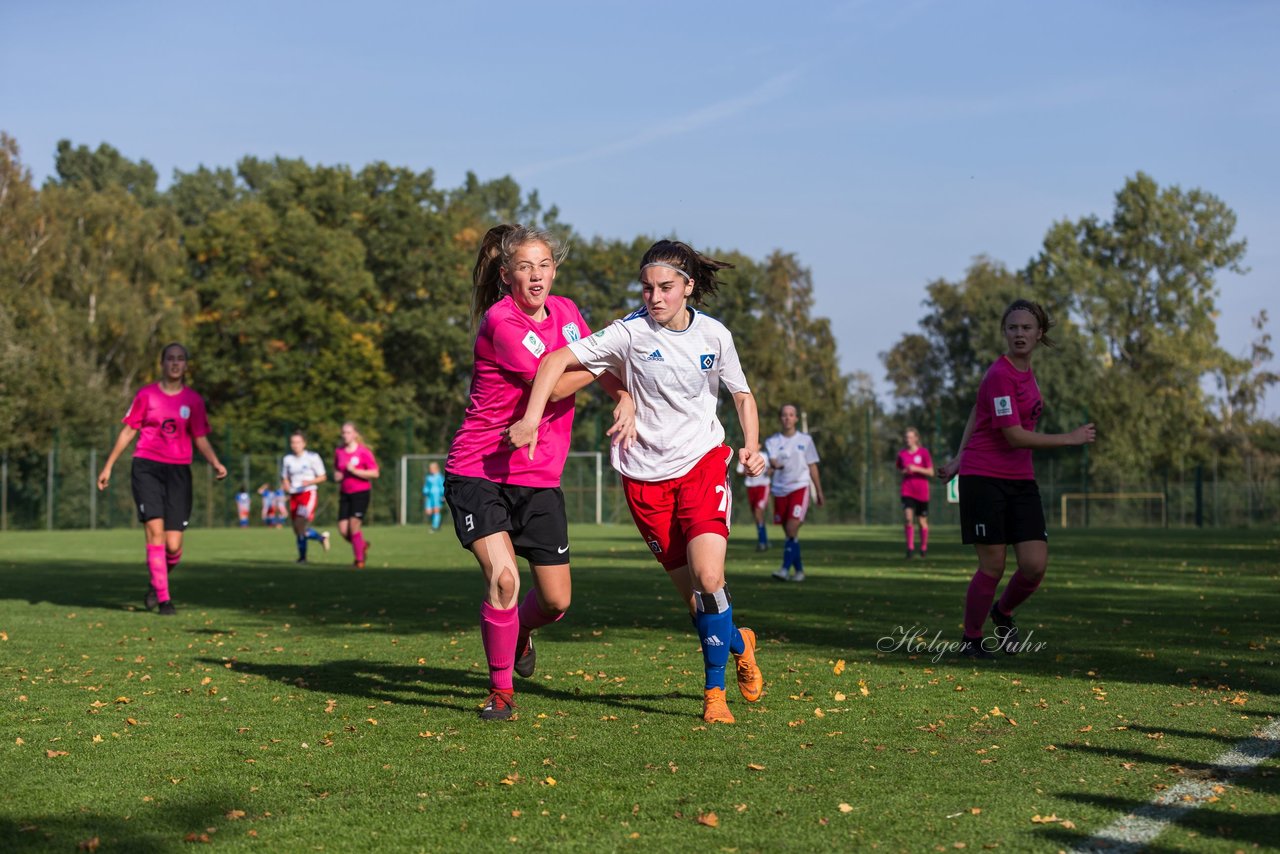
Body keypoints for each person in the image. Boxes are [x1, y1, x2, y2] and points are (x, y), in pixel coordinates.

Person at [507, 238, 766, 725]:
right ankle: (739, 641)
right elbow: (555, 362)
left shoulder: (715, 336)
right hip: (644, 477)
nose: (654, 297)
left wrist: (751, 445)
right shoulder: (628, 333)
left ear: (688, 286)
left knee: (711, 579)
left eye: (665, 287)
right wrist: (535, 417)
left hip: (702, 462)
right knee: (697, 603)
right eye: (646, 288)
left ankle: (714, 696)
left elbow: (743, 395)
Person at [444, 224, 634, 722]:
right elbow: (553, 382)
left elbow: (590, 359)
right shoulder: (501, 322)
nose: (536, 276)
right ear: (506, 274)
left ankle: (521, 631)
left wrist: (624, 393)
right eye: (524, 267)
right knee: (504, 581)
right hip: (479, 469)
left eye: (544, 266)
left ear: (555, 269)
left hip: (539, 477)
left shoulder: (568, 312)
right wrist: (611, 356)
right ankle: (501, 691)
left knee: (554, 602)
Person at [937, 299, 1096, 659]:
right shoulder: (1000, 374)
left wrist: (958, 456)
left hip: (1020, 479)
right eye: (1013, 328)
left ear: (1040, 334)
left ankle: (1002, 612)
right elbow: (1013, 435)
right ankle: (971, 638)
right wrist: (1068, 438)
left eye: (1026, 328)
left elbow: (978, 409)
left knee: (1034, 565)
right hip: (985, 478)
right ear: (1004, 333)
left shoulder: (1026, 372)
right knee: (993, 565)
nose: (1019, 334)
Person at [96, 342, 227, 615]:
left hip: (179, 472)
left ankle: (157, 581)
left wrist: (215, 462)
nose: (175, 363)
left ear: (186, 365)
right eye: (170, 359)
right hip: (147, 467)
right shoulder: (146, 395)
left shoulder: (193, 401)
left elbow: (200, 437)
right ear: (162, 363)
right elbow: (128, 432)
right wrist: (108, 466)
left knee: (173, 545)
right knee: (154, 533)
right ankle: (165, 600)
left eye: (180, 359)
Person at [765, 404, 824, 582]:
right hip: (780, 490)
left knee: (792, 527)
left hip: (799, 487)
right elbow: (773, 459)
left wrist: (819, 491)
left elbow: (812, 466)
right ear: (780, 418)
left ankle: (784, 569)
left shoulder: (805, 441)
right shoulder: (772, 441)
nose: (788, 418)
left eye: (791, 415)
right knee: (790, 533)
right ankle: (799, 571)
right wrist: (774, 465)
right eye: (784, 415)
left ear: (796, 418)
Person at [334, 422, 379, 568]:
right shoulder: (339, 452)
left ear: (355, 434)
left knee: (354, 526)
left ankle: (359, 560)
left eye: (348, 432)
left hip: (361, 493)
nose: (345, 435)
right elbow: (337, 470)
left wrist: (355, 471)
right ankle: (362, 545)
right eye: (343, 432)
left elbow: (375, 473)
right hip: (345, 493)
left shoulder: (363, 452)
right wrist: (337, 476)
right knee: (342, 530)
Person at [281, 431, 330, 563]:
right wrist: (286, 485)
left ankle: (302, 558)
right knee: (297, 530)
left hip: (308, 493)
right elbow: (285, 477)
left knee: (300, 524)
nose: (295, 445)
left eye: (298, 442)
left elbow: (323, 476)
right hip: (294, 495)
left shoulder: (312, 457)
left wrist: (310, 482)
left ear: (304, 443)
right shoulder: (287, 459)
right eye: (293, 442)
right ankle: (320, 538)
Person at [896, 427, 934, 559]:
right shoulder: (902, 454)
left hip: (922, 492)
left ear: (916, 438)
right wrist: (905, 471)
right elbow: (899, 470)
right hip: (907, 490)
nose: (908, 440)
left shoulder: (924, 453)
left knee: (922, 521)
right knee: (908, 518)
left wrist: (916, 468)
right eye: (906, 437)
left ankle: (923, 548)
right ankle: (910, 548)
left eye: (911, 437)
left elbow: (931, 472)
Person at [737, 449, 771, 550]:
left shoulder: (764, 455)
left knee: (758, 512)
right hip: (751, 487)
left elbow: (770, 469)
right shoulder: (745, 455)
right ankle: (764, 540)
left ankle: (762, 542)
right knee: (757, 516)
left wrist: (769, 471)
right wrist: (747, 469)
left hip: (762, 486)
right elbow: (739, 471)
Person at [422, 461, 445, 533]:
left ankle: (434, 527)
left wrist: (443, 495)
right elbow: (426, 486)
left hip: (437, 496)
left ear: (436, 468)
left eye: (432, 468)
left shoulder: (439, 477)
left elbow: (442, 486)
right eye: (430, 468)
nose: (430, 469)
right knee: (428, 511)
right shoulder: (428, 477)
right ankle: (437, 523)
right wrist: (425, 492)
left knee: (436, 510)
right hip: (429, 496)